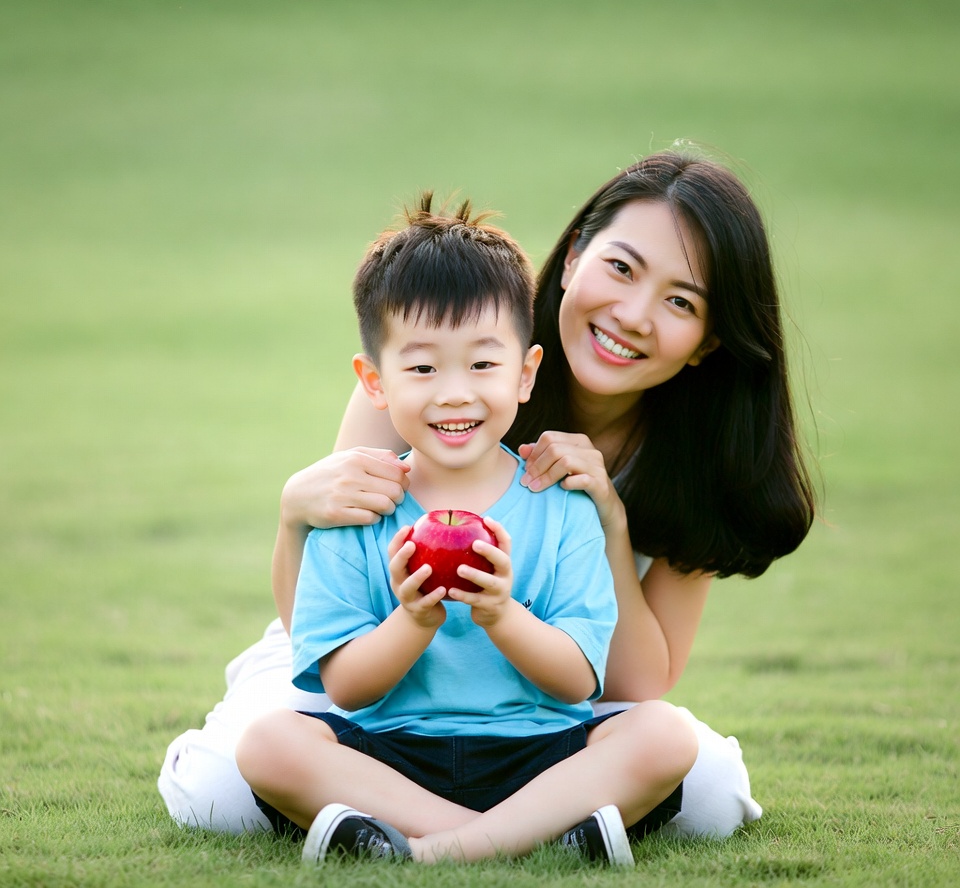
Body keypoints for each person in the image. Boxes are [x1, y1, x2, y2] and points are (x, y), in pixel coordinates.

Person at [159, 147, 814, 839]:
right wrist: (295, 515)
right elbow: (324, 632)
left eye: (681, 301)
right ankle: (502, 836)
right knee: (222, 792)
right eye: (622, 268)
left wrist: (610, 523)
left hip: (538, 700)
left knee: (709, 793)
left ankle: (429, 838)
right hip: (375, 669)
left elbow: (634, 684)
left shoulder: (701, 454)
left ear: (709, 340)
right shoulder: (438, 347)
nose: (633, 315)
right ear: (573, 258)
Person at [235, 196, 697, 865]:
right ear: (375, 382)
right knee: (268, 743)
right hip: (392, 756)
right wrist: (413, 621)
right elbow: (345, 688)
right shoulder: (362, 504)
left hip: (537, 753)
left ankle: (425, 851)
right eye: (423, 368)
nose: (454, 392)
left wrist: (502, 614)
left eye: (482, 365)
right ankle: (518, 839)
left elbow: (578, 681)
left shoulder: (561, 506)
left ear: (526, 374)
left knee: (663, 734)